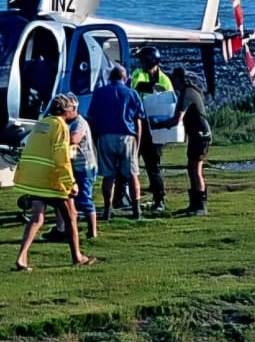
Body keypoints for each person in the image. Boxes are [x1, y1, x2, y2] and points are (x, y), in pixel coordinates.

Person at [13, 94, 96, 271]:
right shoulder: (60, 126)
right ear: (68, 111)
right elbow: (62, 157)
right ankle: (77, 256)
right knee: (71, 216)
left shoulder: (41, 124)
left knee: (36, 218)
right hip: (51, 179)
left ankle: (21, 258)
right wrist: (71, 182)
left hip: (35, 178)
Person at [86, 64, 145, 220]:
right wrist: (137, 143)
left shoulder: (99, 94)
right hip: (126, 135)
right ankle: (136, 210)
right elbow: (138, 121)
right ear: (124, 78)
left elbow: (91, 118)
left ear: (109, 77)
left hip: (105, 136)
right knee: (132, 174)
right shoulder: (132, 94)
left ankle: (107, 209)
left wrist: (93, 139)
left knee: (108, 175)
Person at [153, 67, 213, 216]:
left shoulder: (186, 93)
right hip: (199, 134)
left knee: (195, 170)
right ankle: (195, 204)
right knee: (192, 168)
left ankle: (200, 206)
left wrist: (159, 124)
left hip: (200, 135)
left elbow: (177, 119)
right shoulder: (195, 91)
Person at [41, 110, 99, 241]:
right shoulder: (62, 122)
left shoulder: (80, 122)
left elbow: (74, 139)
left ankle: (92, 232)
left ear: (73, 109)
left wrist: (56, 138)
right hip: (69, 166)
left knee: (84, 200)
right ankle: (61, 230)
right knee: (62, 198)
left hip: (83, 167)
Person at [130, 46, 174, 212]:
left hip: (152, 127)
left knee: (153, 166)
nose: (140, 63)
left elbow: (169, 99)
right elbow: (135, 86)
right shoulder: (140, 75)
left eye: (142, 60)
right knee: (132, 165)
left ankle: (159, 199)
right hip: (142, 125)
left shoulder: (163, 79)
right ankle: (125, 197)